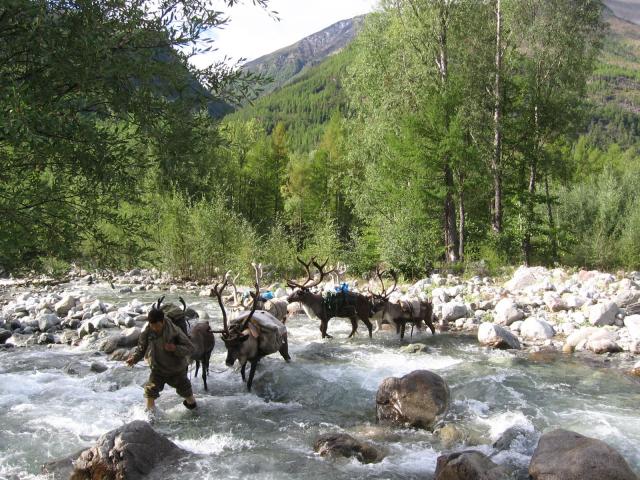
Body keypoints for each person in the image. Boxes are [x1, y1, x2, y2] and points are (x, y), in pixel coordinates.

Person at [126, 305, 197, 413]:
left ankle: (194, 412)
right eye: (152, 325)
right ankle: (150, 417)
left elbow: (190, 348)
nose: (155, 328)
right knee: (150, 392)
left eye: (157, 326)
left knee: (188, 396)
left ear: (163, 321)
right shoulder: (147, 331)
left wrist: (175, 348)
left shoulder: (174, 331)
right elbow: (142, 347)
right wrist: (134, 359)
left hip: (176, 370)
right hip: (157, 368)